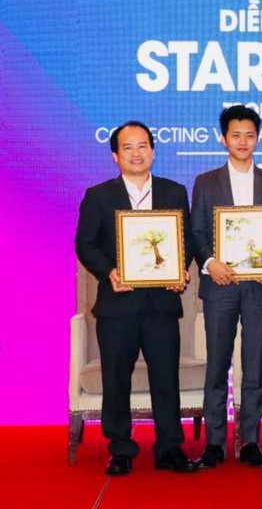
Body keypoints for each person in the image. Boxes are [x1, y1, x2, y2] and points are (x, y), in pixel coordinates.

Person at [75, 121, 198, 475]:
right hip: (117, 305)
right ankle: (120, 449)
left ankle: (169, 448)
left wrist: (180, 269)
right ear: (115, 155)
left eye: (143, 145)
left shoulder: (174, 192)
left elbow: (186, 239)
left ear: (153, 151)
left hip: (161, 304)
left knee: (166, 378)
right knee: (116, 380)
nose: (136, 153)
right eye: (127, 147)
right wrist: (110, 271)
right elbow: (85, 243)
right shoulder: (98, 195)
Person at [191, 105, 262, 469]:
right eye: (236, 135)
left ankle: (250, 441)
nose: (243, 141)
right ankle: (214, 443)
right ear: (223, 139)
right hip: (220, 284)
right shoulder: (206, 182)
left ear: (257, 138)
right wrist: (210, 263)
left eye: (250, 135)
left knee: (254, 365)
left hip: (260, 287)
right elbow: (196, 232)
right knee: (216, 365)